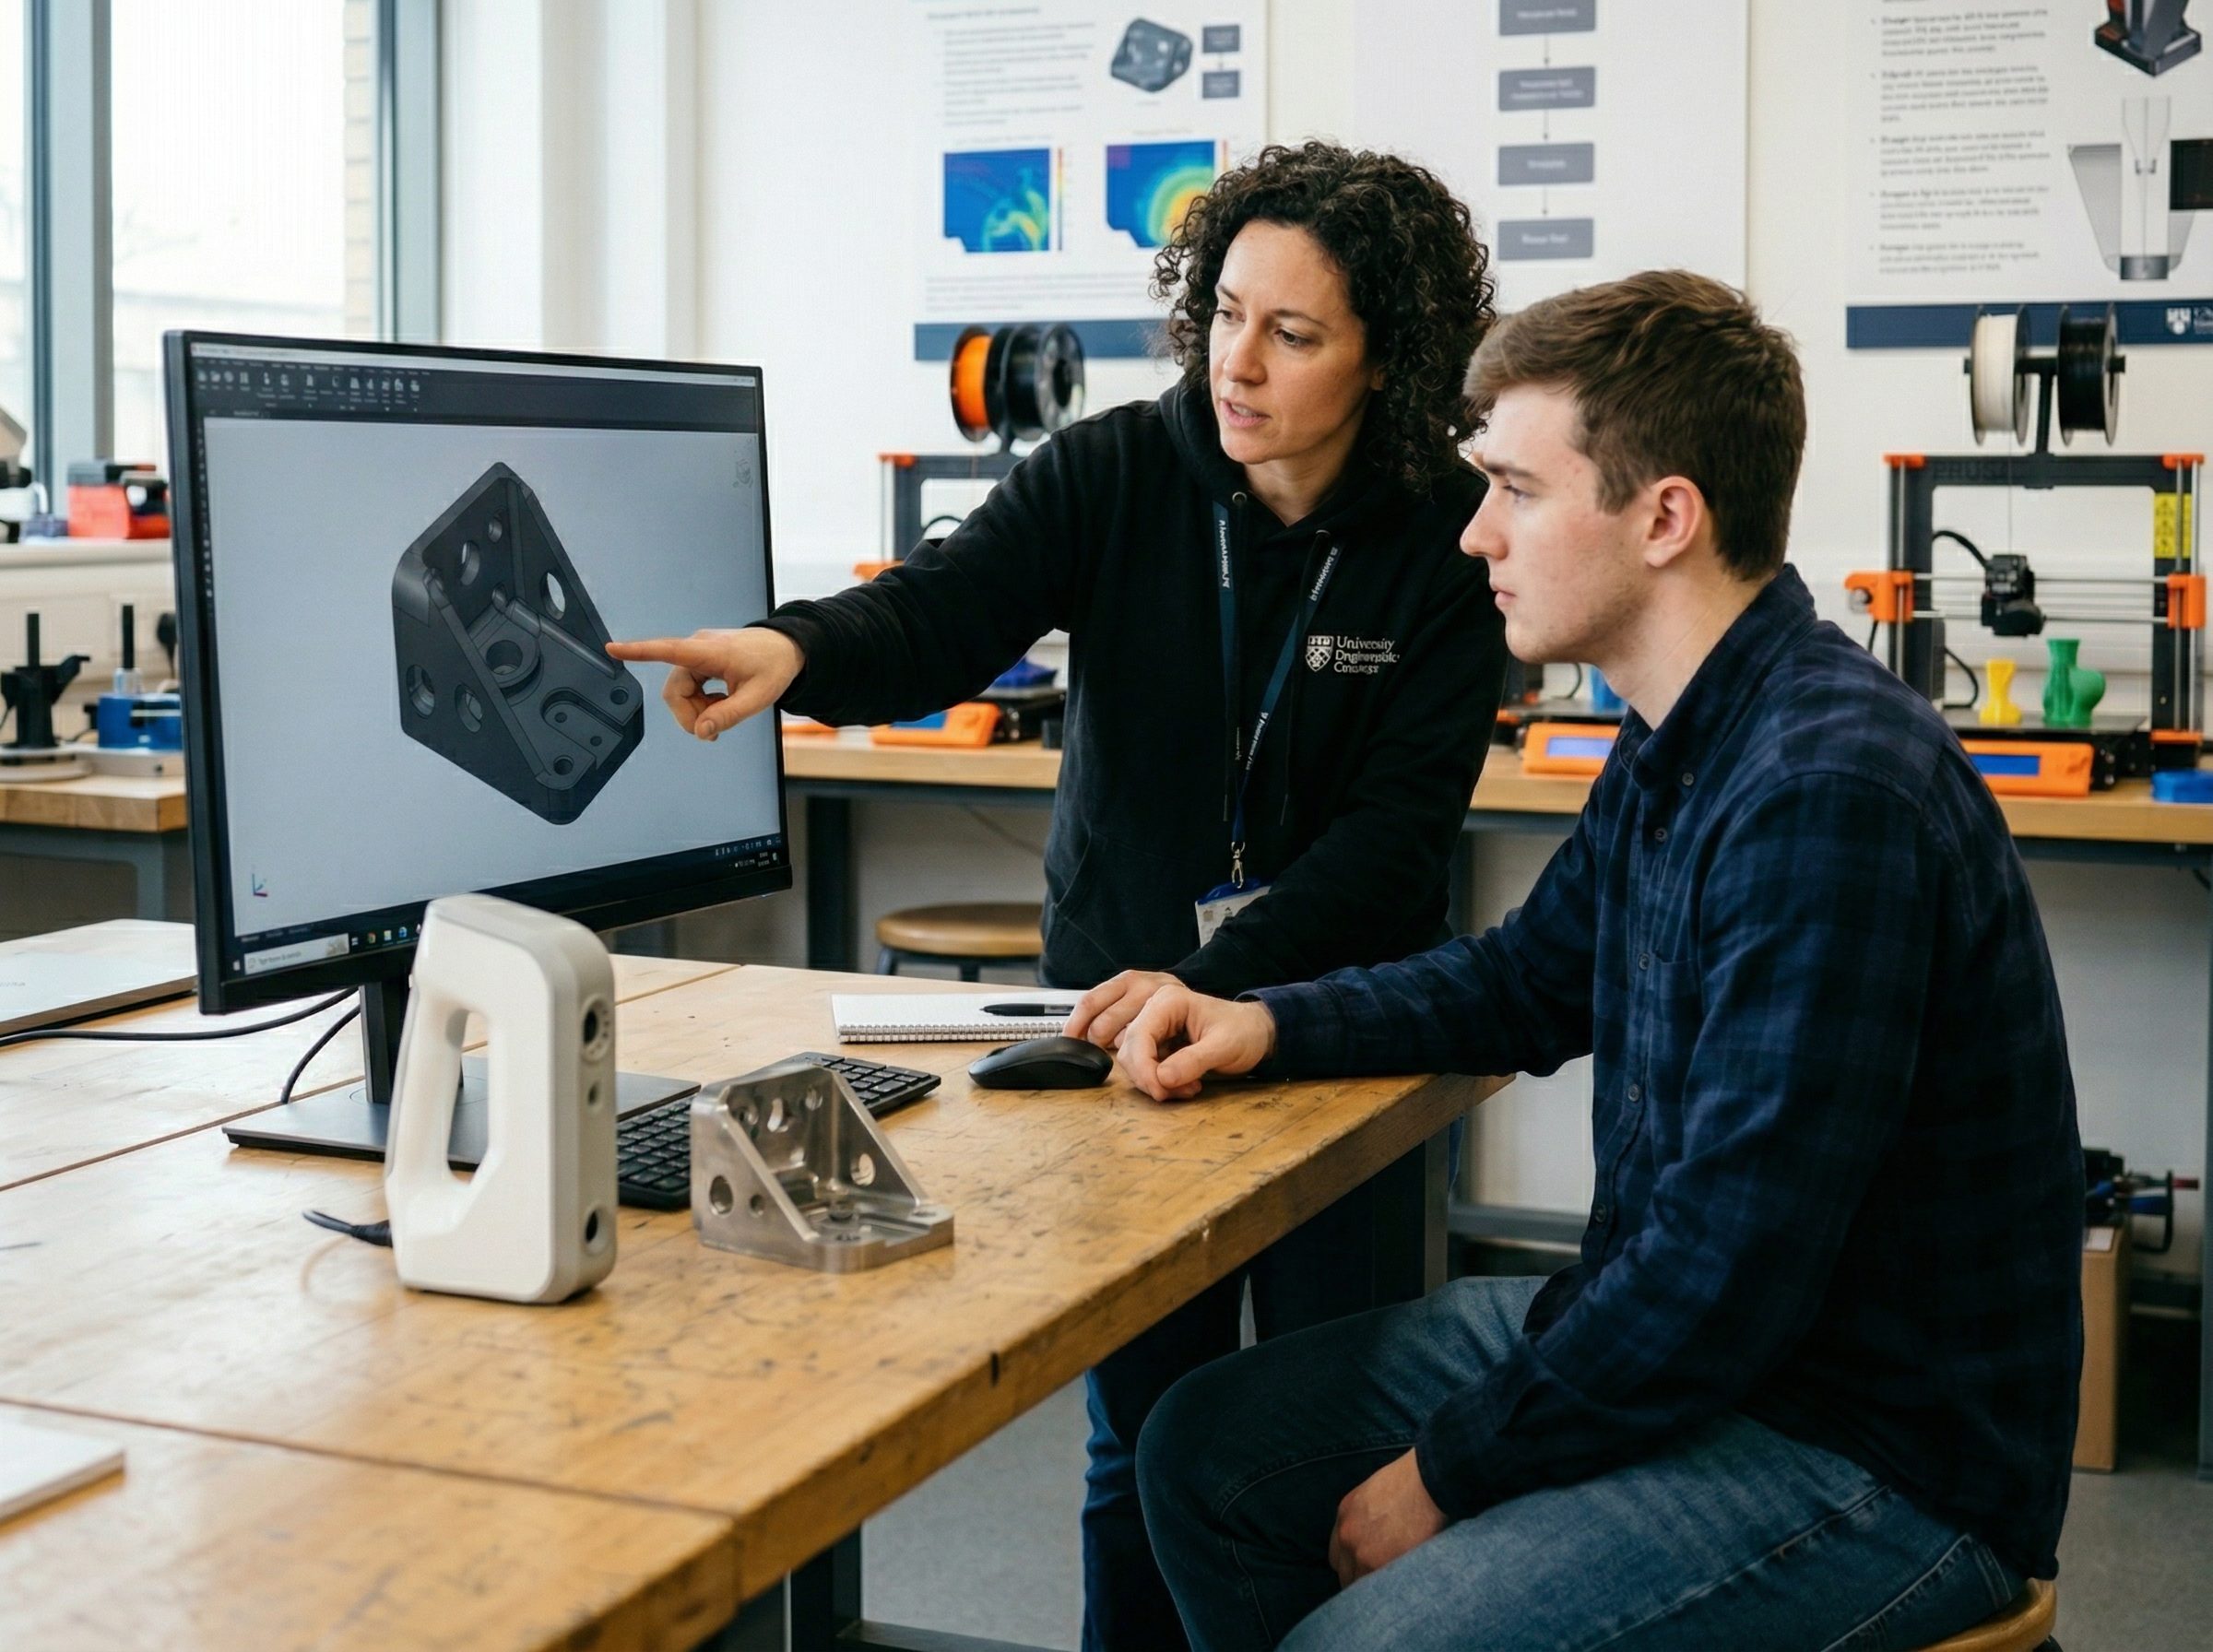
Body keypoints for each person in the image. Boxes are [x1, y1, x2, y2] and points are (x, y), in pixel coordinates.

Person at [608, 141, 1509, 1649]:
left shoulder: (1449, 536)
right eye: (1227, 314)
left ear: (1388, 356)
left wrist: (1225, 980)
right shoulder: (1118, 471)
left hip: (1337, 1029)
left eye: (1294, 333)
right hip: (1125, 1028)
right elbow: (944, 609)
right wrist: (797, 651)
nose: (1239, 364)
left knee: (1331, 1443)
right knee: (1139, 1439)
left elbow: (1394, 842)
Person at [1116, 270, 2084, 1651]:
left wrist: (1445, 1476)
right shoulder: (1681, 728)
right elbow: (1526, 979)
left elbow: (1721, 1274)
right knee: (1206, 1449)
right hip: (1720, 1352)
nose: (1474, 534)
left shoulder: (1825, 791)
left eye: (1515, 489)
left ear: (1664, 519)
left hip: (1870, 1451)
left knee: (1359, 1645)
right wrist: (1269, 1021)